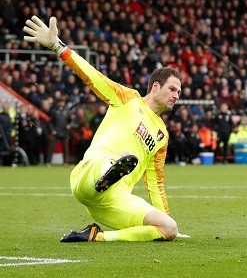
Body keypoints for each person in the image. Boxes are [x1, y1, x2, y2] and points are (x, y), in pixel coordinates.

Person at [24, 16, 182, 242]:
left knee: (169, 228)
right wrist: (59, 47)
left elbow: (154, 182)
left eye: (179, 92)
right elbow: (92, 76)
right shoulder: (127, 99)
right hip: (88, 177)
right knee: (120, 158)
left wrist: (162, 219)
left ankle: (96, 236)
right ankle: (112, 168)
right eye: (173, 89)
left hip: (113, 201)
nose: (177, 95)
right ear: (156, 87)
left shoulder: (162, 136)